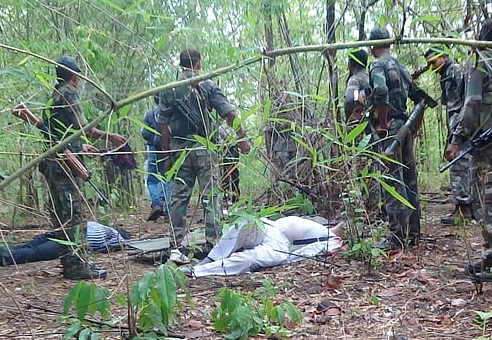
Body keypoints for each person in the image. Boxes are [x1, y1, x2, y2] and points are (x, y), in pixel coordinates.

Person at [445, 18, 492, 281]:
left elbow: (472, 104)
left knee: (487, 200)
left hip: (487, 142)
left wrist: (457, 138)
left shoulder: (480, 63)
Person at [156, 48, 249, 264]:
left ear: (181, 65)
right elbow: (229, 113)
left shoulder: (169, 89)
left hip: (179, 150)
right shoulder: (207, 83)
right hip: (204, 148)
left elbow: (162, 125)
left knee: (179, 199)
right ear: (198, 64)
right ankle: (214, 245)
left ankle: (176, 247)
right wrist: (242, 138)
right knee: (211, 196)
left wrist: (167, 154)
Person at [39, 56, 127, 280]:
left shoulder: (55, 95)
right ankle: (76, 265)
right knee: (72, 214)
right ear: (75, 77)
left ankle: (73, 262)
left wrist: (81, 146)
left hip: (59, 161)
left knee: (63, 214)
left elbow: (60, 132)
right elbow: (82, 127)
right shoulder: (68, 92)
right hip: (64, 167)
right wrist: (110, 136)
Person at [368, 26, 432, 250]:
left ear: (373, 45)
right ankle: (413, 231)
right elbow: (419, 96)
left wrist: (384, 123)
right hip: (404, 126)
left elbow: (381, 92)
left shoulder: (378, 64)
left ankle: (397, 235)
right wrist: (412, 126)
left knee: (392, 179)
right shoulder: (401, 66)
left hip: (392, 127)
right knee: (408, 178)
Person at [417, 46, 474, 224]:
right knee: (458, 163)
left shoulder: (455, 70)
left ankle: (465, 208)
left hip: (462, 124)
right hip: (455, 123)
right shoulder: (446, 73)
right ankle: (462, 206)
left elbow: (466, 102)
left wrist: (458, 133)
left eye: (434, 62)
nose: (432, 67)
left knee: (460, 164)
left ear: (443, 57)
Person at [182, 216, 343, 277]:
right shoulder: (321, 226)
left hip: (282, 246)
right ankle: (210, 259)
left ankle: (198, 271)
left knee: (248, 259)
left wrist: (288, 259)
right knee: (244, 223)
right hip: (270, 227)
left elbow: (308, 252)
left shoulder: (332, 241)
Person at [0, 222, 132, 267]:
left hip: (67, 229)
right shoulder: (116, 236)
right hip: (75, 239)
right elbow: (113, 246)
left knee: (26, 247)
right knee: (32, 253)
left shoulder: (99, 225)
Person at [142, 104, 171, 221]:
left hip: (154, 148)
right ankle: (170, 211)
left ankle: (157, 203)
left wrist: (152, 138)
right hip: (169, 148)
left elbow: (144, 133)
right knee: (168, 178)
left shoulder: (150, 113)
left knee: (153, 179)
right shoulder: (170, 111)